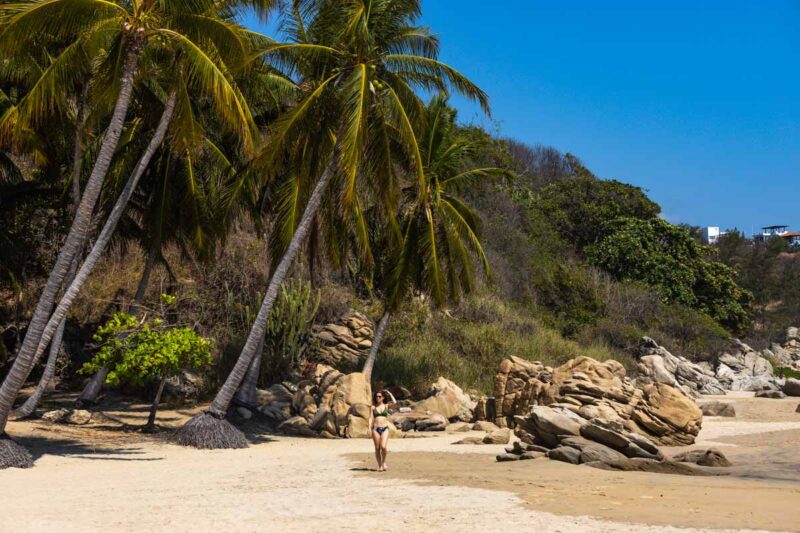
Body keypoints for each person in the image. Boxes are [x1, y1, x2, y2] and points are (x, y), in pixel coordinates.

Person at [368, 389, 396, 471]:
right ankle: (380, 465)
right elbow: (370, 418)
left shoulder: (386, 405)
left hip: (385, 428)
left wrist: (389, 393)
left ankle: (384, 462)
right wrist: (369, 428)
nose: (377, 398)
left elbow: (394, 402)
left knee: (383, 446)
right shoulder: (373, 407)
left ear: (383, 397)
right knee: (377, 448)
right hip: (375, 429)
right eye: (376, 396)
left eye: (379, 396)